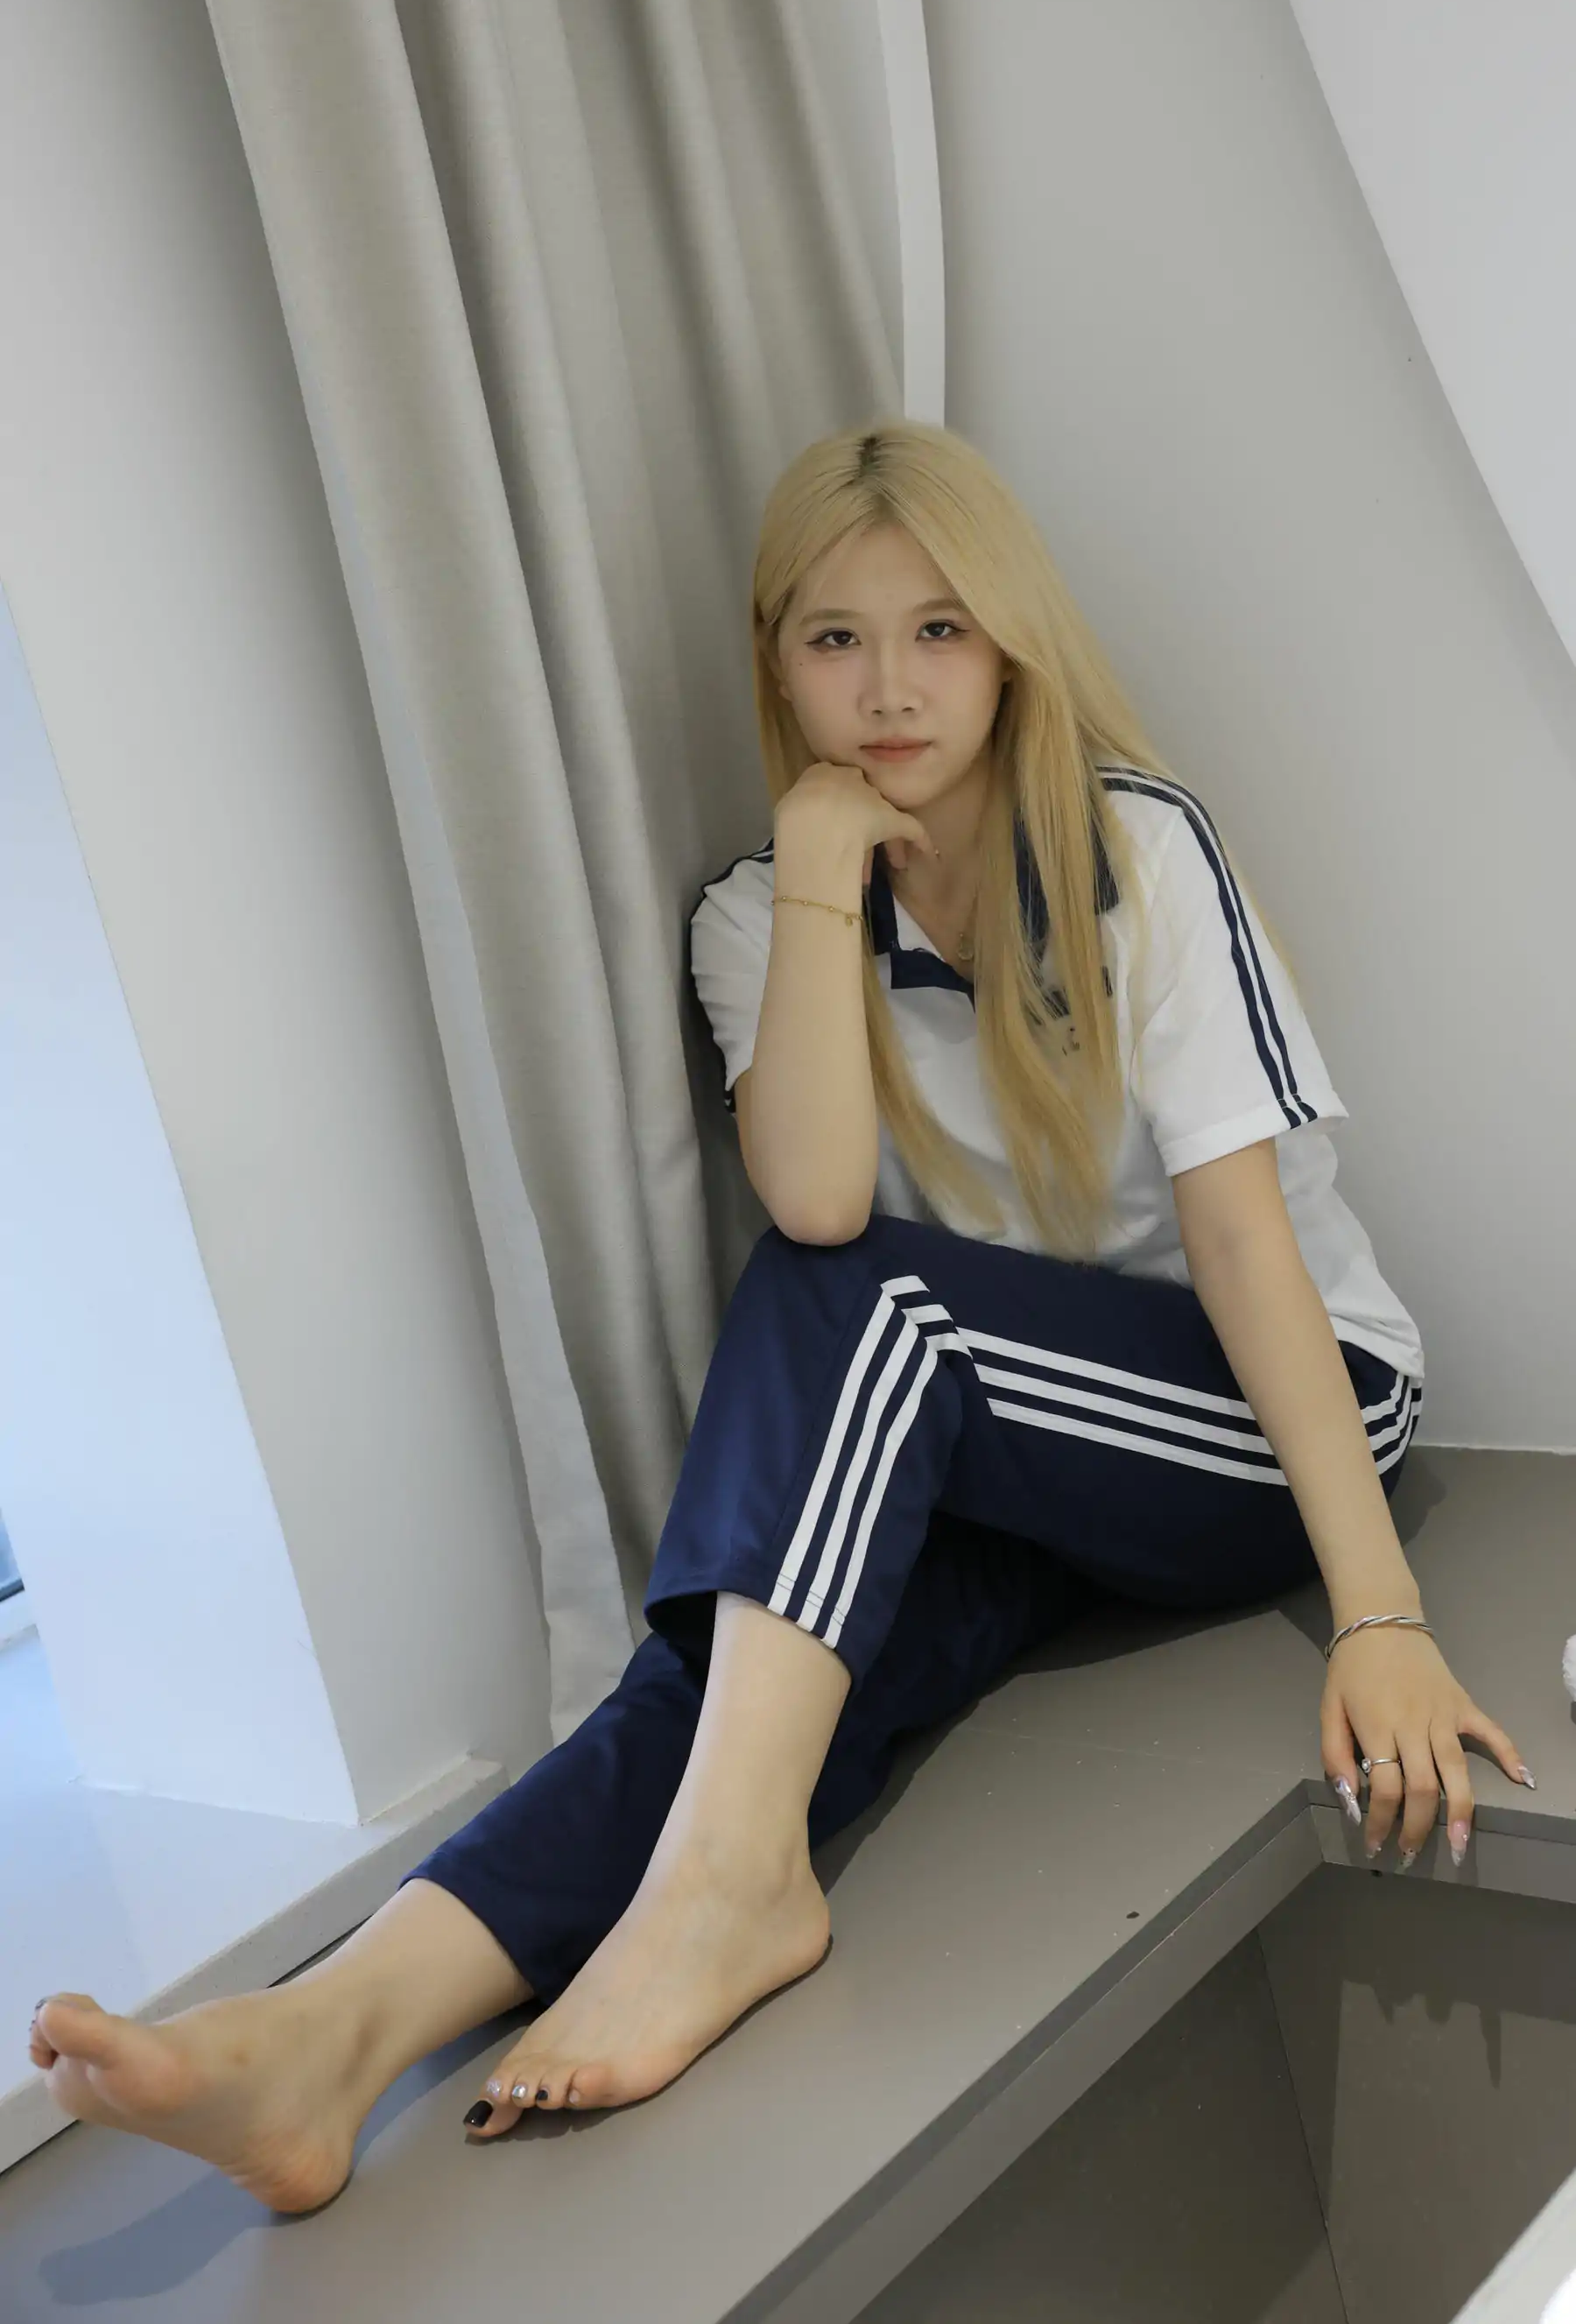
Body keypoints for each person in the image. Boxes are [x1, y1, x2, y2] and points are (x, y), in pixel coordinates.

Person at [29, 418, 1532, 2214]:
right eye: (836, 639)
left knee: (871, 1308)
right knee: (738, 1672)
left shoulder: (1135, 851)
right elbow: (817, 1195)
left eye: (939, 630)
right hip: (1008, 1452)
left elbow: (1237, 1245)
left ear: (1010, 644)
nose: (889, 687)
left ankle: (731, 1895)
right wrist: (826, 873)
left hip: (1273, 1416)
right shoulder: (759, 919)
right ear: (779, 665)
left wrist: (1379, 1612)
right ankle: (333, 2034)